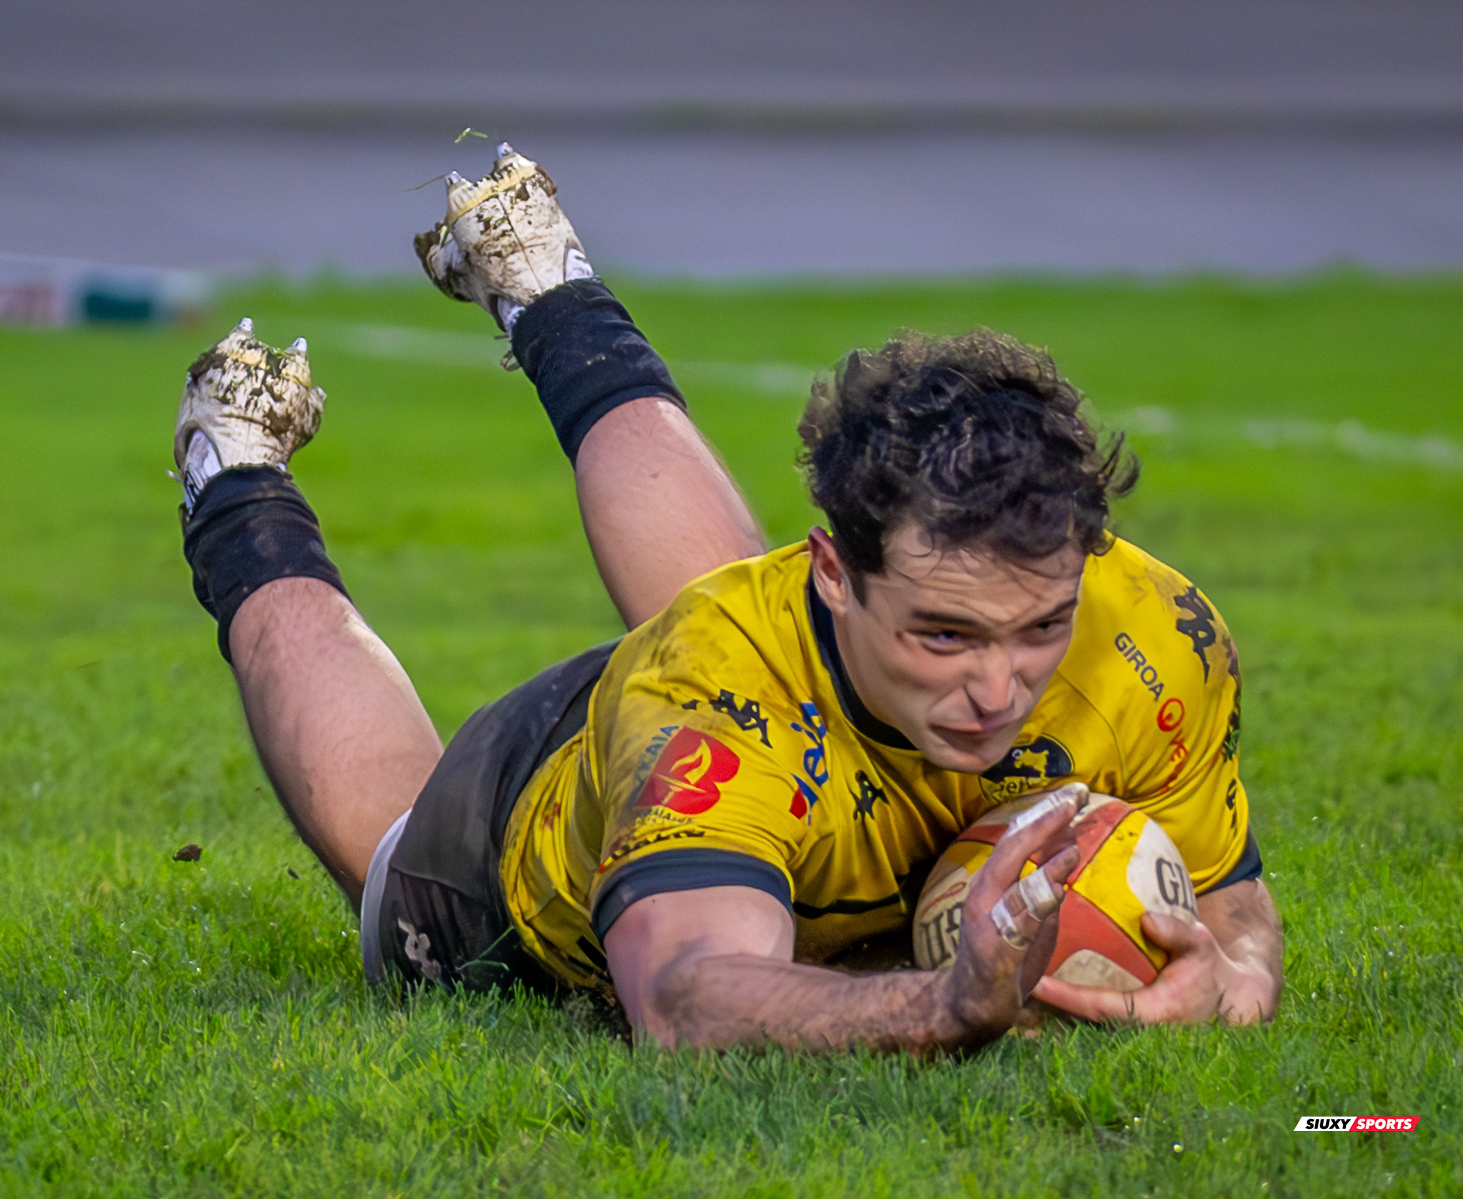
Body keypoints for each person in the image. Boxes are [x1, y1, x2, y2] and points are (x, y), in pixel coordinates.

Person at [172, 145, 1283, 1054]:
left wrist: (1231, 977)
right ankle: (232, 473)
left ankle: (541, 276)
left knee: (725, 612)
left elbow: (1235, 906)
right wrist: (945, 1007)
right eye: (946, 633)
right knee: (398, 843)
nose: (999, 688)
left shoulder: (1154, 632)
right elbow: (688, 998)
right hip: (512, 853)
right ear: (832, 572)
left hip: (769, 710)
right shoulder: (712, 686)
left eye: (1042, 628)